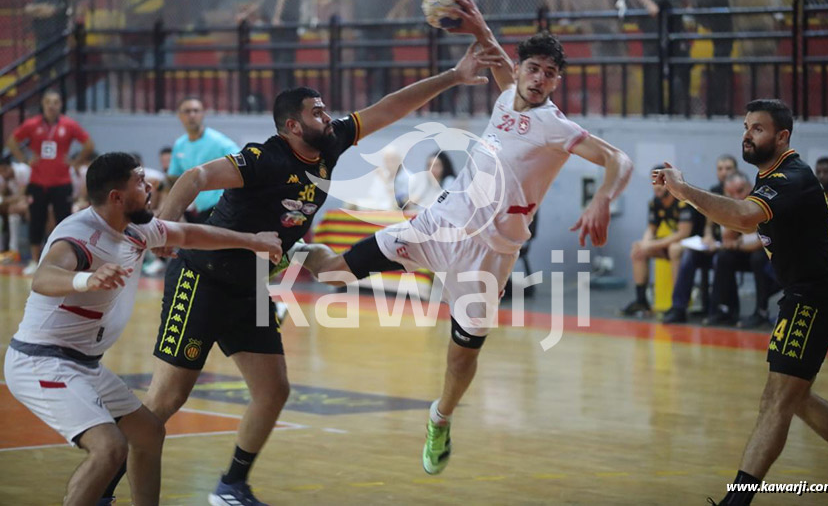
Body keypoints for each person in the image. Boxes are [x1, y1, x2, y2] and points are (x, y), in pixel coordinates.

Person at [105, 39, 500, 505]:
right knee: (167, 400)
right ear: (292, 125)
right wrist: (166, 230)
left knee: (273, 391)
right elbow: (195, 179)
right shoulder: (264, 158)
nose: (327, 117)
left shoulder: (330, 144)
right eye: (317, 112)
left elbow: (389, 108)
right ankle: (102, 483)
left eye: (326, 109)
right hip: (203, 278)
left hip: (251, 288)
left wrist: (453, 75)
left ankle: (231, 487)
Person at [295, 0, 633, 476]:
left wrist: (603, 197)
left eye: (550, 73)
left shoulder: (555, 126)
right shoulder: (503, 96)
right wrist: (477, 24)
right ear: (520, 71)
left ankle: (440, 417)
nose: (540, 79)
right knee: (332, 274)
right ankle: (292, 245)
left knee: (459, 359)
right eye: (533, 68)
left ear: (558, 81)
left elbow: (619, 158)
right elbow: (495, 52)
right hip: (442, 224)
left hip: (491, 256)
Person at [3, 152, 282, 506]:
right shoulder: (78, 234)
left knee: (148, 432)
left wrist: (253, 241)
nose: (150, 185)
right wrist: (87, 279)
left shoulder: (134, 229)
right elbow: (43, 278)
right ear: (117, 197)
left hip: (85, 364)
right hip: (41, 362)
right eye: (139, 180)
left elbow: (190, 233)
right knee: (109, 447)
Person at [653, 99, 828, 506]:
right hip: (810, 291)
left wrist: (684, 190)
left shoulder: (790, 177)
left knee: (776, 400)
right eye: (745, 126)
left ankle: (736, 502)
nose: (746, 134)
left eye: (757, 128)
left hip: (814, 296)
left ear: (782, 137)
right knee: (795, 399)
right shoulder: (774, 176)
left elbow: (743, 217)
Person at [6, 90, 95, 276]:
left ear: (60, 104)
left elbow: (89, 144)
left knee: (64, 222)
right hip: (37, 182)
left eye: (55, 102)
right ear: (43, 104)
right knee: (36, 221)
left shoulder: (69, 125)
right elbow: (12, 141)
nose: (52, 105)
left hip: (62, 182)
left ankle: (63, 262)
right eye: (48, 102)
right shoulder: (32, 124)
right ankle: (33, 261)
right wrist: (24, 159)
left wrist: (75, 162)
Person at [663, 155, 738, 323]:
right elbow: (708, 223)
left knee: (722, 259)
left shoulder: (742, 192)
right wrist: (708, 236)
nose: (724, 172)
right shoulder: (714, 191)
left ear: (736, 170)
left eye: (728, 168)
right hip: (713, 244)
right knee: (689, 255)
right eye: (720, 168)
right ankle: (679, 307)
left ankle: (716, 309)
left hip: (732, 247)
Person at [703, 171, 780, 328]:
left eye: (740, 191)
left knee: (758, 257)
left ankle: (761, 312)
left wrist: (738, 243)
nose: (737, 197)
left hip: (775, 253)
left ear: (750, 187)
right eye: (731, 193)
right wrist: (733, 214)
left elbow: (761, 242)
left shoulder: (763, 200)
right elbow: (727, 240)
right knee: (724, 256)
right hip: (748, 249)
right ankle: (725, 309)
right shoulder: (727, 203)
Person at [621, 164, 696, 317]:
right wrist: (644, 244)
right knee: (638, 249)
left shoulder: (683, 199)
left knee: (674, 249)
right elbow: (651, 229)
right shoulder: (655, 202)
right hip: (674, 242)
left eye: (661, 181)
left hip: (694, 242)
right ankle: (642, 301)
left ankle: (678, 305)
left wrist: (651, 244)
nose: (657, 186)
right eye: (654, 181)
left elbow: (683, 233)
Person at [167, 97, 240, 223]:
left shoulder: (219, 142)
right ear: (179, 115)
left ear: (203, 114)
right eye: (187, 111)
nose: (192, 115)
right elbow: (173, 178)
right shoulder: (180, 144)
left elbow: (243, 166)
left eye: (196, 111)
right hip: (200, 210)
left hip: (223, 207)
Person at [24, 0, 69, 79]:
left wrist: (39, 10)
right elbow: (28, 9)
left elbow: (52, 11)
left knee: (60, 72)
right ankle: (44, 93)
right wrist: (43, 9)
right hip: (41, 39)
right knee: (43, 72)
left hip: (56, 39)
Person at [0, 153, 31, 262]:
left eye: (4, 170)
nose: (2, 174)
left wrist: (5, 199)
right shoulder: (3, 176)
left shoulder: (23, 170)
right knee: (12, 212)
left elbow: (22, 194)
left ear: (9, 167)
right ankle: (12, 251)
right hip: (19, 203)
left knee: (22, 209)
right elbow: (2, 195)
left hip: (34, 199)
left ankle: (38, 249)